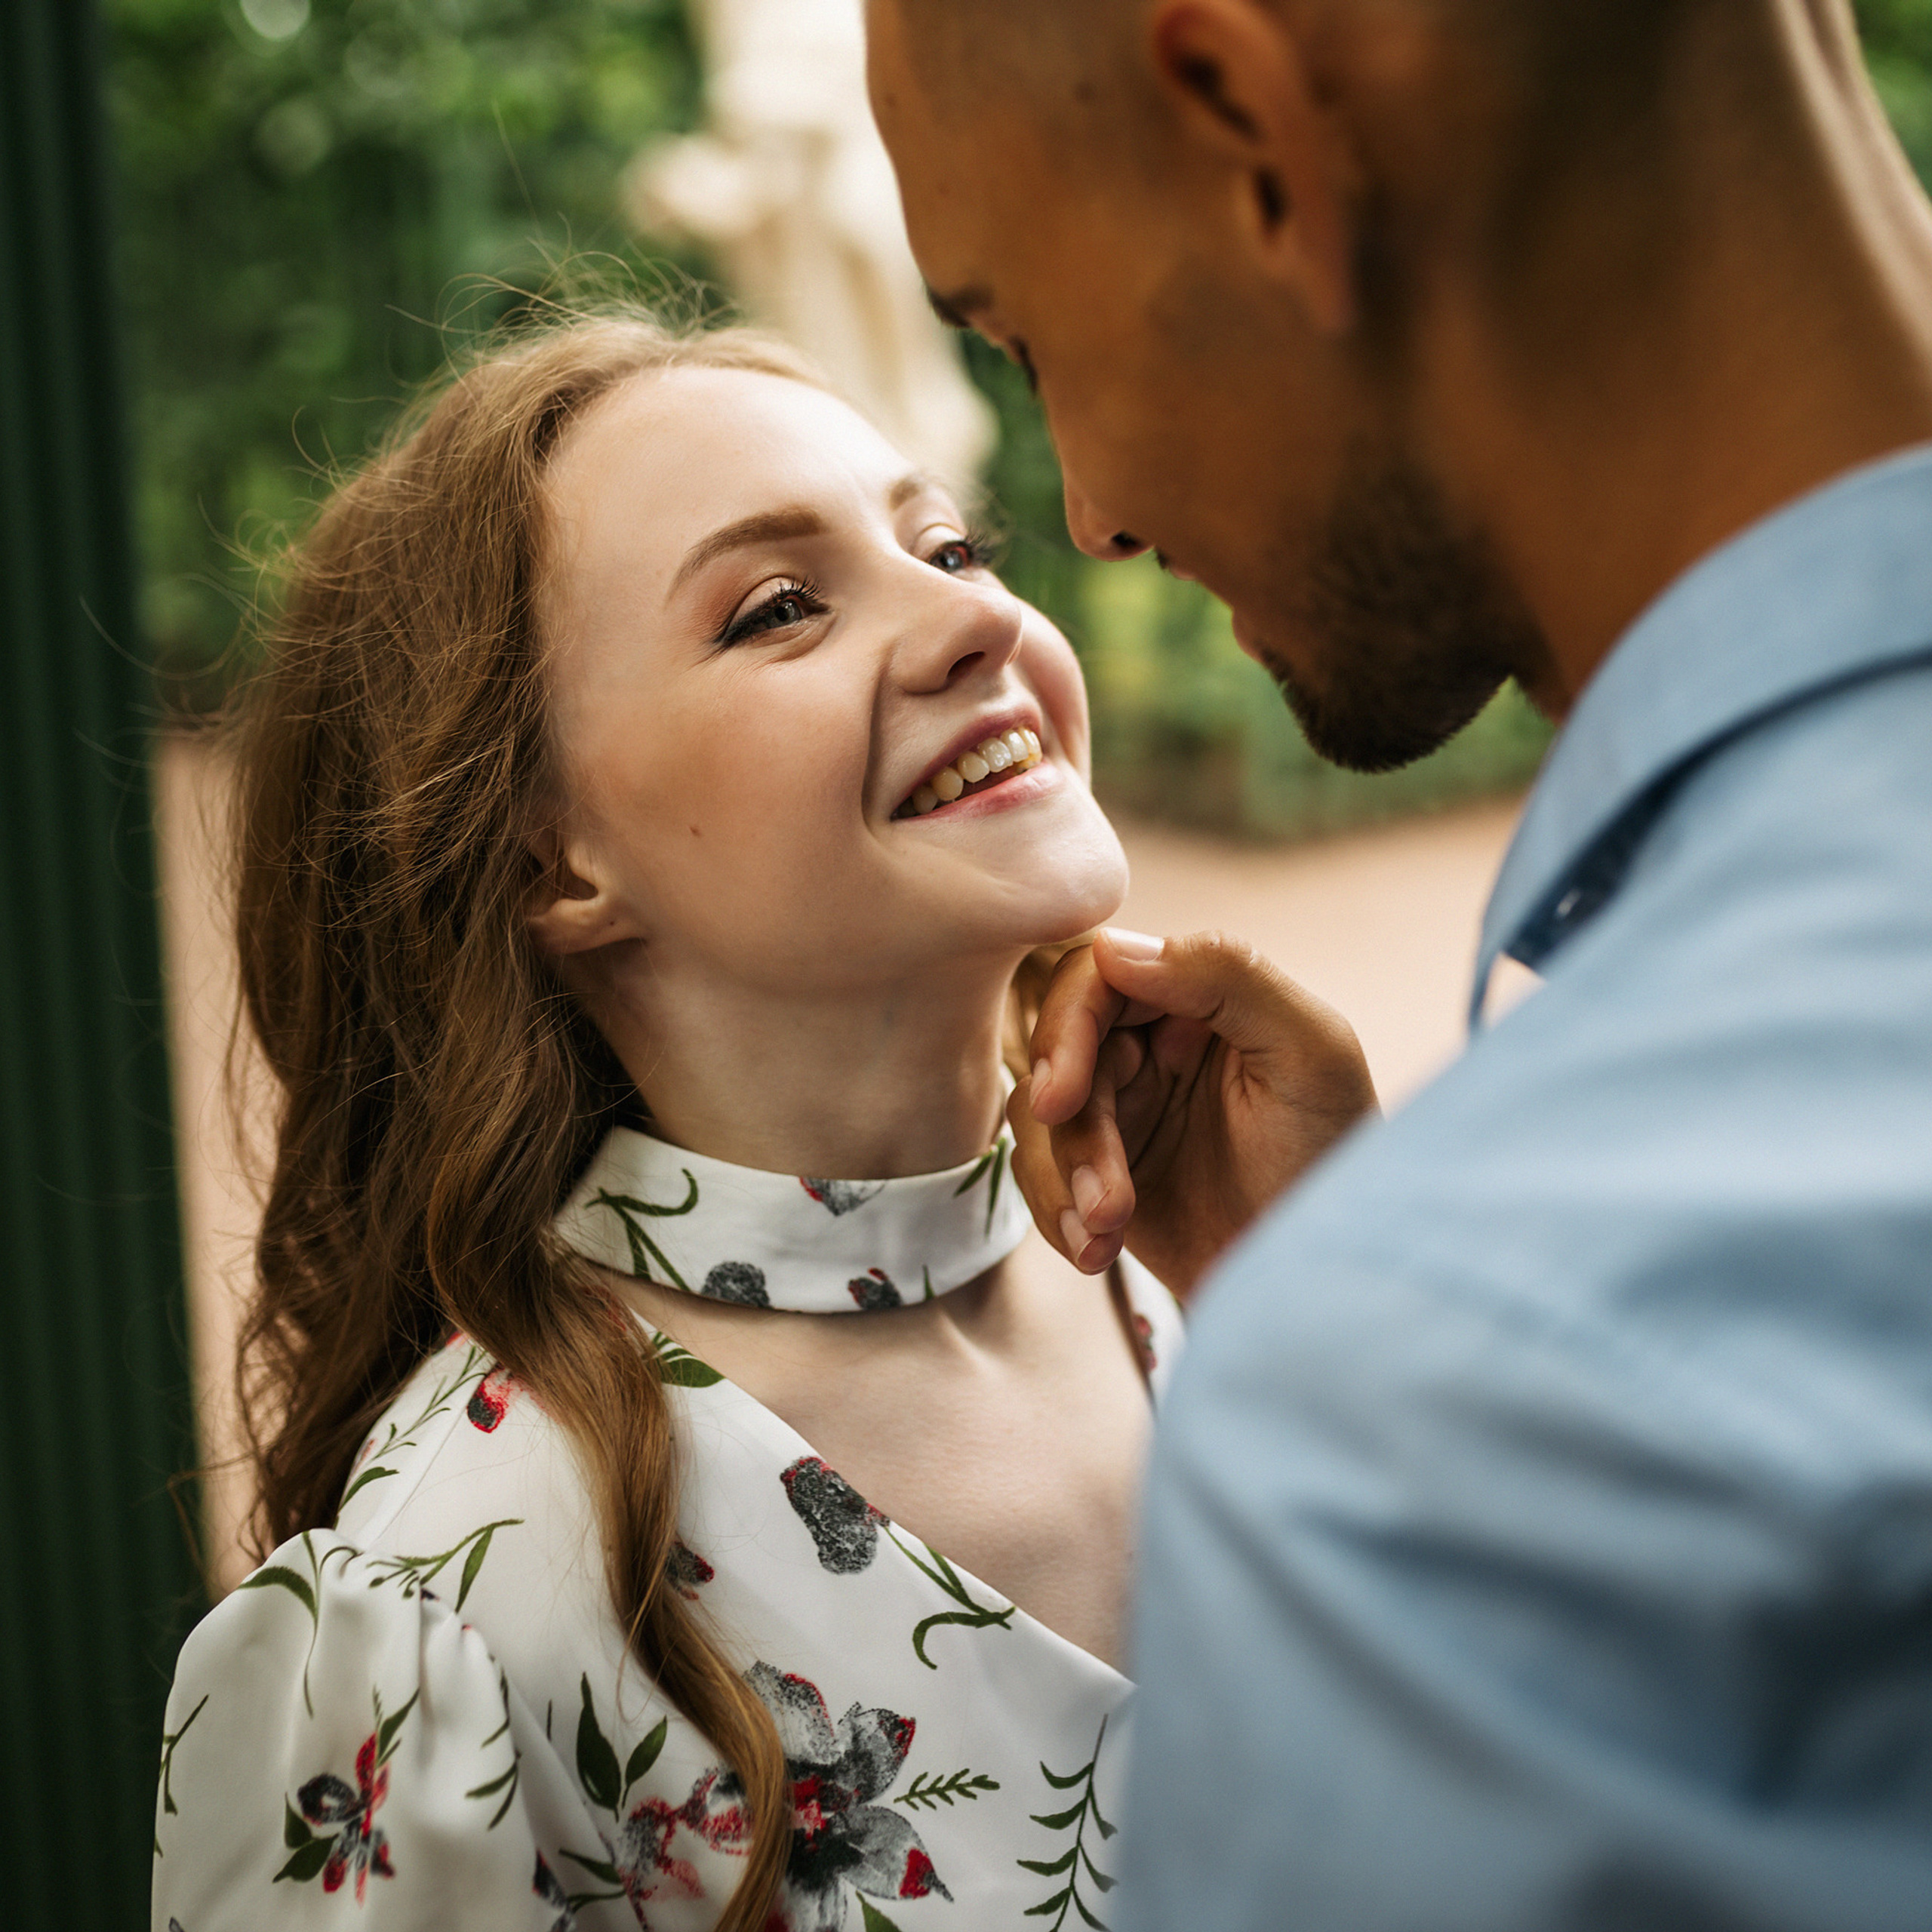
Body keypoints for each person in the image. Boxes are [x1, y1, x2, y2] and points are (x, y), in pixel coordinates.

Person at [865, 0, 1932, 1926]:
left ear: (1250, 135)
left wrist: (1399, 1324)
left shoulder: (1413, 1432)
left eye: (1023, 334)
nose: (1084, 511)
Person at [150, 312, 1191, 1932]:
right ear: (547, 863)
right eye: (778, 606)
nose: (973, 615)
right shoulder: (460, 1598)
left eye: (947, 542)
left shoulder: (1200, 1265)